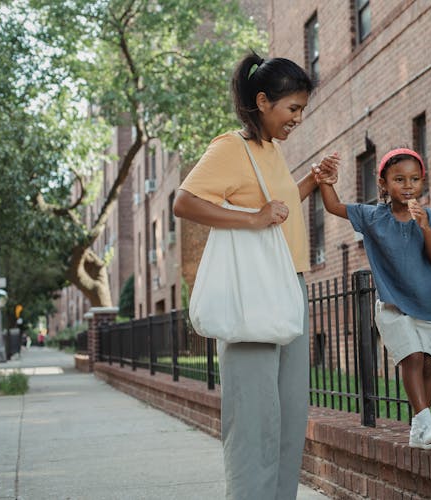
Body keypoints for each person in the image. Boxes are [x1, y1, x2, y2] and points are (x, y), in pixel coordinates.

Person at [173, 51, 336, 499]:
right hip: (254, 292)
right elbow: (184, 202)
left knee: (287, 415)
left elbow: (274, 212)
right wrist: (251, 218)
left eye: (302, 109)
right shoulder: (231, 147)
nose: (298, 118)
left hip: (289, 286)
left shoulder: (271, 151)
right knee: (254, 419)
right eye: (293, 108)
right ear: (263, 101)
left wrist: (309, 182)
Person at [315, 148, 431, 450]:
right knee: (412, 357)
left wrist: (425, 228)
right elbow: (335, 206)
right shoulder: (372, 217)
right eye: (399, 179)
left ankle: (420, 428)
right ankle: (426, 421)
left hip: (428, 303)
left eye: (415, 179)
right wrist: (326, 181)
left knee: (429, 364)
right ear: (383, 184)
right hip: (392, 303)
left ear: (423, 182)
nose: (408, 186)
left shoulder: (428, 217)